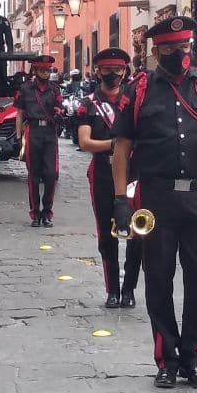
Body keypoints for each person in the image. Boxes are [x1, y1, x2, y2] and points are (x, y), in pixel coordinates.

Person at [112, 16, 197, 389]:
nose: (179, 54)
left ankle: (192, 357)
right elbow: (121, 149)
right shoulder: (138, 92)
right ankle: (166, 359)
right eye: (169, 49)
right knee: (159, 278)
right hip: (156, 199)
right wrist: (120, 199)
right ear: (155, 51)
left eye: (184, 47)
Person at [76, 48, 141, 309]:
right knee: (107, 233)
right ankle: (112, 289)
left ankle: (129, 289)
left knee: (138, 231)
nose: (113, 74)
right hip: (102, 172)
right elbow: (84, 142)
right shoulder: (88, 103)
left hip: (136, 173)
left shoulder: (136, 100)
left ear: (125, 71)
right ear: (97, 71)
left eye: (118, 69)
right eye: (107, 70)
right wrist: (116, 144)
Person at [15, 54, 62, 227]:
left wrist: (59, 114)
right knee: (33, 175)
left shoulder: (55, 89)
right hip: (32, 131)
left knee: (51, 174)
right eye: (42, 70)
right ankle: (35, 213)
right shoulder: (25, 88)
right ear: (35, 70)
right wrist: (19, 137)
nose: (46, 73)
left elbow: (60, 107)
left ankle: (47, 211)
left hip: (50, 132)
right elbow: (19, 113)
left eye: (48, 70)